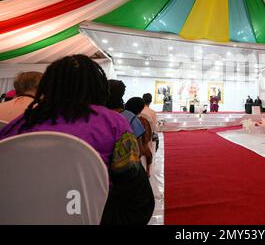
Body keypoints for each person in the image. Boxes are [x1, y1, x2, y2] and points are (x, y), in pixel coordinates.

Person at [0, 55, 154, 225]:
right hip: (87, 214)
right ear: (99, 87)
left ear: (49, 86)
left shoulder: (19, 124)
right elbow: (136, 190)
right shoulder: (114, 123)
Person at [125, 97, 153, 177]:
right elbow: (146, 139)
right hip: (134, 154)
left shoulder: (119, 116)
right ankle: (147, 171)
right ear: (141, 109)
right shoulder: (142, 121)